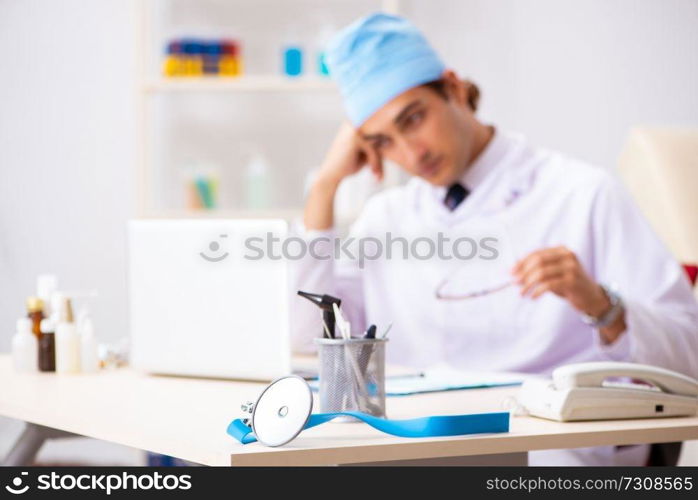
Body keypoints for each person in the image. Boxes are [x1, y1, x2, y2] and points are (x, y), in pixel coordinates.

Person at [290, 13, 698, 465]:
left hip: (551, 447)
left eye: (413, 119)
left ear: (455, 89)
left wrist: (603, 305)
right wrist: (324, 187)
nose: (410, 153)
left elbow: (690, 352)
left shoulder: (581, 193)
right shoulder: (386, 218)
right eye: (382, 141)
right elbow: (307, 340)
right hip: (414, 445)